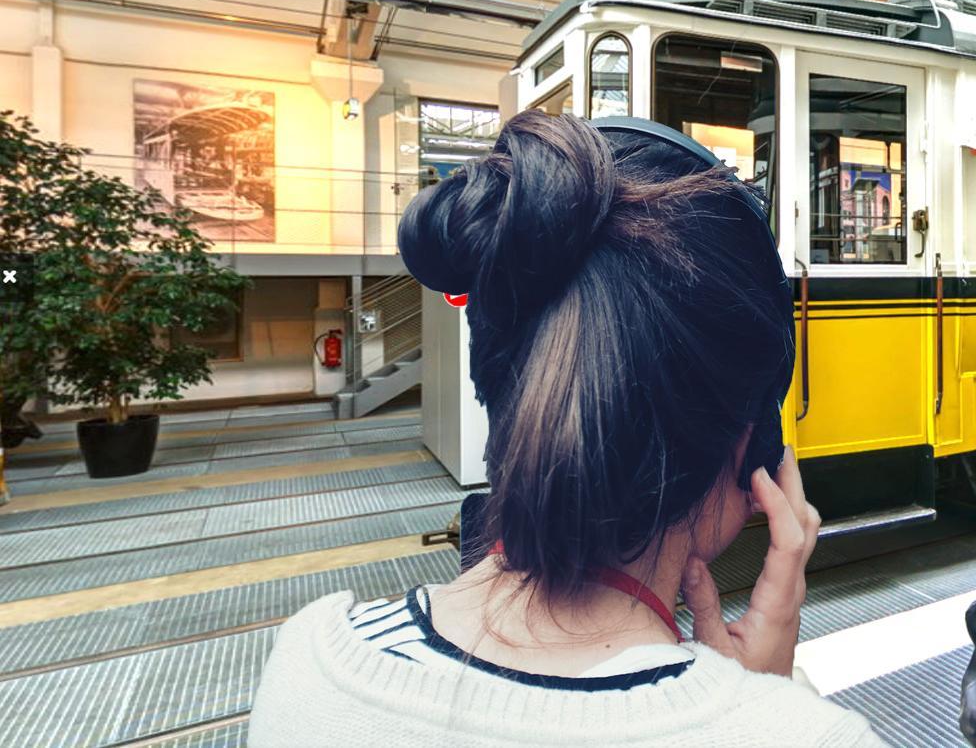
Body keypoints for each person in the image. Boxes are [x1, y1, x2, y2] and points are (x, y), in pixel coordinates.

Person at [249, 112, 884, 747]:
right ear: (754, 449)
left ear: (502, 397)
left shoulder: (308, 663)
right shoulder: (817, 738)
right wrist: (766, 699)